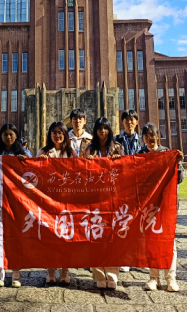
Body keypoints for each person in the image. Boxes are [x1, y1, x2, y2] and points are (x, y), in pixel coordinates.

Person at [138, 123, 183, 291]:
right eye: (146, 135)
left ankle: (171, 278)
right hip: (148, 206)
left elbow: (179, 178)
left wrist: (178, 163)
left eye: (152, 134)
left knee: (169, 241)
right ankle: (153, 277)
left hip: (165, 205)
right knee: (151, 241)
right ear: (143, 138)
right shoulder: (140, 155)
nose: (150, 138)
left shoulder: (167, 153)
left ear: (158, 136)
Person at [0, 123, 30, 288]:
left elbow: (31, 177)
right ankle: (0, 270)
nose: (8, 137)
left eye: (11, 134)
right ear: (1, 136)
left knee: (17, 235)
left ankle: (16, 271)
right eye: (5, 134)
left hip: (17, 201)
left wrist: (25, 164)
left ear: (16, 135)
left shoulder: (23, 154)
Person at [84, 117, 124, 290]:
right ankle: (99, 275)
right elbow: (81, 173)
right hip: (95, 198)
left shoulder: (117, 147)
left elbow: (125, 171)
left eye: (105, 128)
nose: (103, 131)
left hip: (113, 197)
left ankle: (112, 275)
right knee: (96, 236)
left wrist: (118, 161)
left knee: (112, 238)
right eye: (100, 128)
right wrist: (87, 162)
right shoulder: (89, 149)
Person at [38, 121, 76, 286]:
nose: (57, 135)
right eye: (54, 132)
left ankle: (65, 271)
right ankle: (51, 271)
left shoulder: (71, 153)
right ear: (50, 134)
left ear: (65, 135)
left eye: (60, 132)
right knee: (50, 236)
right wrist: (40, 162)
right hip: (49, 200)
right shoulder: (44, 151)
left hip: (67, 200)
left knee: (66, 236)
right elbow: (35, 174)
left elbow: (79, 172)